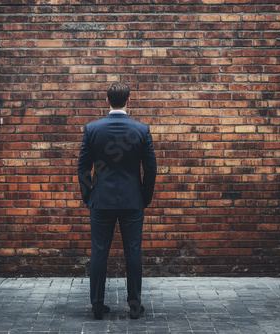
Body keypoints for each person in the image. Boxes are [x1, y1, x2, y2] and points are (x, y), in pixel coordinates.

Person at [77, 82, 157, 320]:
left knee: (99, 253)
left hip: (101, 201)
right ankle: (134, 306)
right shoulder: (141, 130)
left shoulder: (93, 129)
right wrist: (144, 197)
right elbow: (151, 169)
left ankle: (97, 307)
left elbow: (82, 167)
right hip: (132, 201)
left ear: (106, 100)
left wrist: (88, 196)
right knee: (133, 253)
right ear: (128, 101)